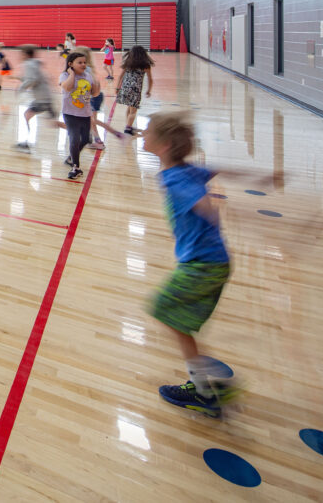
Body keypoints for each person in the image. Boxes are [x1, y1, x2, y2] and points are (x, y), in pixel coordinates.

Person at [143, 111, 274, 418]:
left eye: (147, 131)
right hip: (215, 263)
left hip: (202, 266)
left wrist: (213, 209)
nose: (142, 134)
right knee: (179, 321)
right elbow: (220, 170)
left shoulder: (175, 178)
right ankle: (203, 384)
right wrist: (262, 177)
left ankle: (207, 385)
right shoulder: (187, 171)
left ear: (162, 146)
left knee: (164, 310)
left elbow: (202, 205)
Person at [70, 46, 125, 149]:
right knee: (92, 121)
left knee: (92, 121)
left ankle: (101, 140)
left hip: (92, 97)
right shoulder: (88, 67)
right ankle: (94, 138)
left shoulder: (83, 69)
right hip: (97, 95)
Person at [14, 46, 64, 152]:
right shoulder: (34, 63)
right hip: (47, 97)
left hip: (41, 99)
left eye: (22, 54)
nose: (20, 56)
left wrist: (21, 88)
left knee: (27, 115)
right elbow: (32, 78)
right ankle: (79, 131)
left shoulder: (28, 64)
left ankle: (26, 144)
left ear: (26, 55)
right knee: (53, 123)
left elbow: (32, 79)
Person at [58, 51, 99, 179]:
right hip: (70, 113)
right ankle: (76, 167)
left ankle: (71, 157)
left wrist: (96, 83)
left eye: (84, 62)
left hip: (85, 113)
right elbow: (67, 88)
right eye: (79, 62)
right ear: (70, 64)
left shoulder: (88, 76)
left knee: (86, 140)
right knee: (74, 139)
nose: (83, 65)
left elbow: (95, 93)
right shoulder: (64, 75)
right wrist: (72, 74)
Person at [116, 45, 155, 135]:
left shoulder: (128, 63)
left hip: (125, 88)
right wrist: (149, 90)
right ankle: (128, 128)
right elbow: (150, 79)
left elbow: (120, 76)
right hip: (135, 90)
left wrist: (118, 87)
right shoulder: (145, 65)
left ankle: (128, 125)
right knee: (133, 111)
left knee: (129, 108)